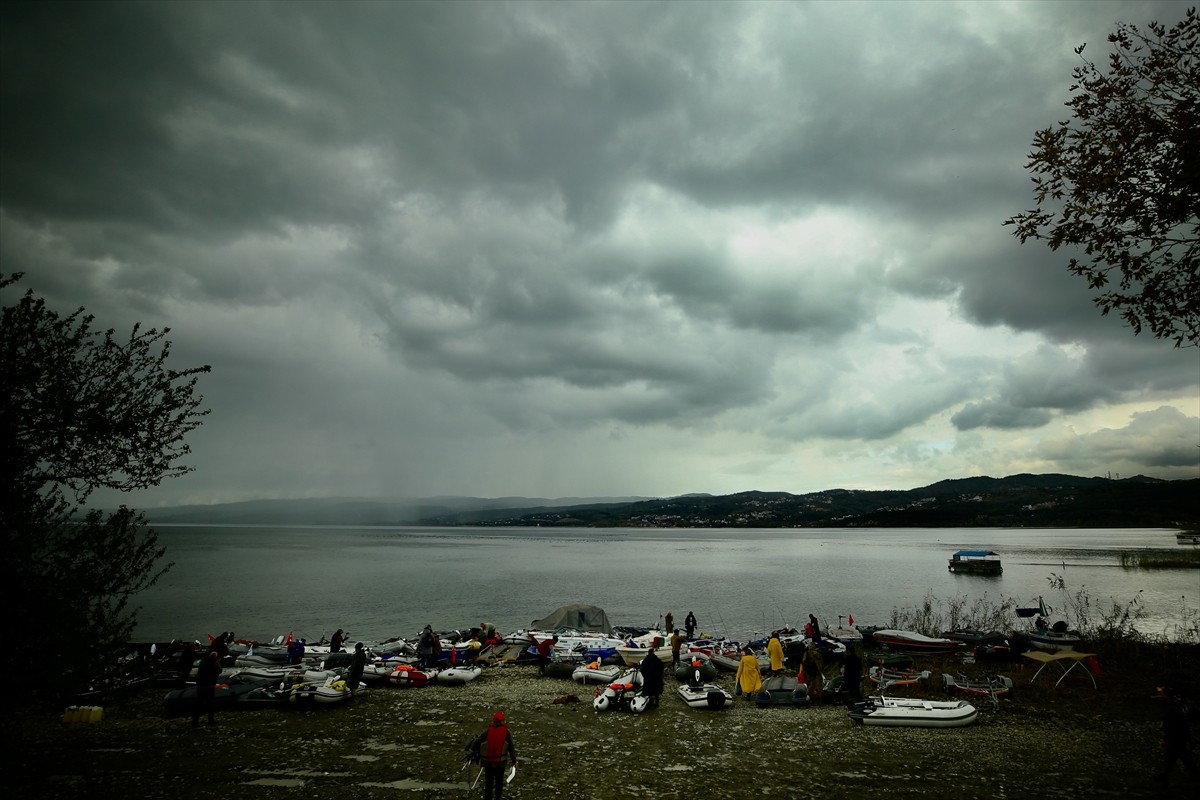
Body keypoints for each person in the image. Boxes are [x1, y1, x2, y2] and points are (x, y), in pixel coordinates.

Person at [468, 711, 517, 800]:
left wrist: (475, 751)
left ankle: (488, 798)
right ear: (502, 721)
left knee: (489, 783)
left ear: (493, 721)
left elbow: (476, 743)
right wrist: (514, 761)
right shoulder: (506, 732)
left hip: (488, 763)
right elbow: (511, 748)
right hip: (500, 763)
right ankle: (498, 797)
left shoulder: (487, 732)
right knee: (499, 782)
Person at [1160, 684, 1198, 788]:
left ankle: (1196, 777)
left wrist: (1167, 740)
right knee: (1171, 758)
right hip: (1179, 738)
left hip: (1177, 739)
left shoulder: (1172, 710)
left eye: (1163, 694)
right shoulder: (1178, 707)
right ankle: (1165, 776)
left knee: (1185, 759)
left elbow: (1171, 727)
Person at [192, 650, 220, 727]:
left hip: (201, 686)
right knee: (210, 704)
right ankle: (210, 720)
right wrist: (217, 663)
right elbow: (217, 672)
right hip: (208, 686)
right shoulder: (211, 664)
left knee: (199, 704)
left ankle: (195, 721)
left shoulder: (203, 662)